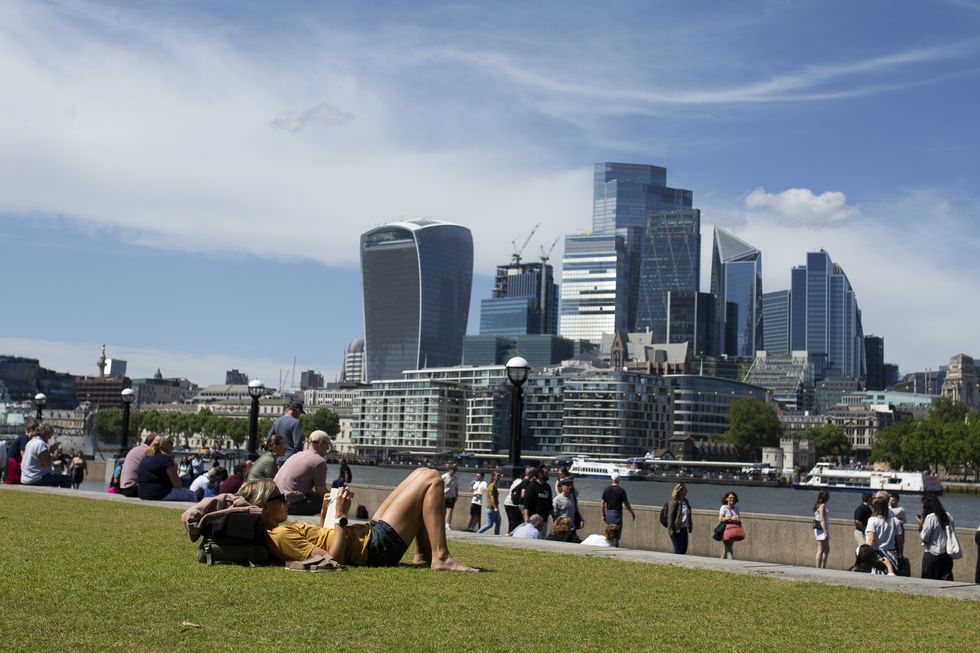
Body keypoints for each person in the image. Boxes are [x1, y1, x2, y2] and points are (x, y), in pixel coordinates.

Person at [236, 468, 478, 572]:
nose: (285, 499)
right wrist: (341, 516)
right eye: (280, 497)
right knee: (432, 479)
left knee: (419, 474)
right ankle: (441, 557)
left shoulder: (279, 531)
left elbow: (323, 545)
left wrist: (325, 514)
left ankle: (424, 556)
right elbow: (332, 560)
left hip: (369, 535)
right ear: (266, 507)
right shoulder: (279, 535)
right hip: (375, 547)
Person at [272, 430, 331, 515]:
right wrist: (337, 498)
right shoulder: (318, 461)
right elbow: (321, 490)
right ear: (320, 443)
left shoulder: (297, 455)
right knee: (325, 501)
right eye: (327, 444)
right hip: (289, 505)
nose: (328, 448)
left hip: (275, 501)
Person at [136, 435, 196, 501]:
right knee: (191, 494)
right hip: (158, 494)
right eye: (170, 442)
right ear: (164, 444)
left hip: (143, 494)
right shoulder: (165, 459)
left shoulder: (146, 457)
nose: (172, 445)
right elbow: (177, 484)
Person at [917, 493, 955, 581]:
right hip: (946, 554)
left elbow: (925, 538)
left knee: (928, 582)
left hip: (932, 554)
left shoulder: (930, 518)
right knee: (946, 581)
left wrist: (920, 526)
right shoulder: (948, 516)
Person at [865, 495, 898, 575]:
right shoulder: (895, 520)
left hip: (878, 554)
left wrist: (866, 554)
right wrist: (900, 554)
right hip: (892, 553)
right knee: (891, 575)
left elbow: (871, 539)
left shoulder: (872, 520)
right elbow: (899, 540)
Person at [601, 472, 635, 546]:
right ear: (619, 479)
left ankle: (607, 546)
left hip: (609, 513)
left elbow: (602, 503)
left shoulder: (606, 489)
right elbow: (626, 504)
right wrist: (632, 512)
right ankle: (615, 547)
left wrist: (603, 514)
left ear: (611, 479)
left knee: (608, 532)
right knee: (616, 534)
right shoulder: (621, 491)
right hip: (617, 514)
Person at [5, 418, 37, 485]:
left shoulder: (26, 438)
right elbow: (23, 454)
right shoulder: (24, 438)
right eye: (33, 432)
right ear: (29, 430)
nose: (34, 434)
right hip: (13, 464)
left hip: (14, 463)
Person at [523, 467, 553, 536]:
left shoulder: (547, 487)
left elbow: (550, 504)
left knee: (542, 539)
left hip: (544, 520)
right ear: (540, 474)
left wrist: (554, 517)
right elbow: (526, 504)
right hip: (533, 520)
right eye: (546, 472)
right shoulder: (531, 486)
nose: (548, 474)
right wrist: (526, 518)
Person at [504, 467, 534, 535]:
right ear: (529, 474)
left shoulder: (516, 480)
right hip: (514, 504)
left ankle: (509, 534)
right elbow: (523, 494)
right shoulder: (525, 482)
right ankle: (512, 535)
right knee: (517, 522)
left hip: (508, 502)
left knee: (512, 522)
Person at [667, 483, 693, 555]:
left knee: (684, 549)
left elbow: (689, 514)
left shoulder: (686, 501)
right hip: (676, 529)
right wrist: (671, 531)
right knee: (678, 550)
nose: (687, 491)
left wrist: (690, 526)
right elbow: (670, 517)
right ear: (680, 491)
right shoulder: (674, 502)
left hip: (684, 528)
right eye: (685, 490)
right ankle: (674, 563)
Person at [718, 491, 741, 560]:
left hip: (733, 530)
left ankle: (721, 563)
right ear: (726, 499)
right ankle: (731, 562)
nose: (732, 499)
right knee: (729, 549)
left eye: (734, 498)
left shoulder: (736, 509)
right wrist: (731, 518)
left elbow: (738, 520)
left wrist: (734, 519)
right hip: (725, 530)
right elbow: (720, 518)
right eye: (730, 497)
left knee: (727, 548)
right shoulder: (724, 507)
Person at [813, 490, 830, 569]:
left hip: (820, 530)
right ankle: (819, 568)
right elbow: (822, 520)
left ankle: (821, 567)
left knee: (825, 549)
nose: (829, 497)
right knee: (821, 550)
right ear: (825, 497)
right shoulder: (822, 506)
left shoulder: (818, 505)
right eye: (828, 495)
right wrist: (825, 531)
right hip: (822, 530)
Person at [888, 492, 907, 556]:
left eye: (893, 500)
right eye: (890, 500)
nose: (891, 502)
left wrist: (898, 521)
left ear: (897, 500)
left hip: (898, 531)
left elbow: (904, 521)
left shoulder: (901, 510)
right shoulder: (888, 508)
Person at [441, 464, 459, 530]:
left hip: (452, 496)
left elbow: (456, 487)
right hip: (444, 496)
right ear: (450, 470)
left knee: (450, 510)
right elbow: (439, 486)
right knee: (443, 511)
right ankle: (443, 524)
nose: (454, 472)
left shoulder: (455, 478)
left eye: (455, 471)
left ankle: (447, 525)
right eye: (453, 470)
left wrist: (457, 495)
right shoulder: (444, 476)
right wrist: (443, 493)